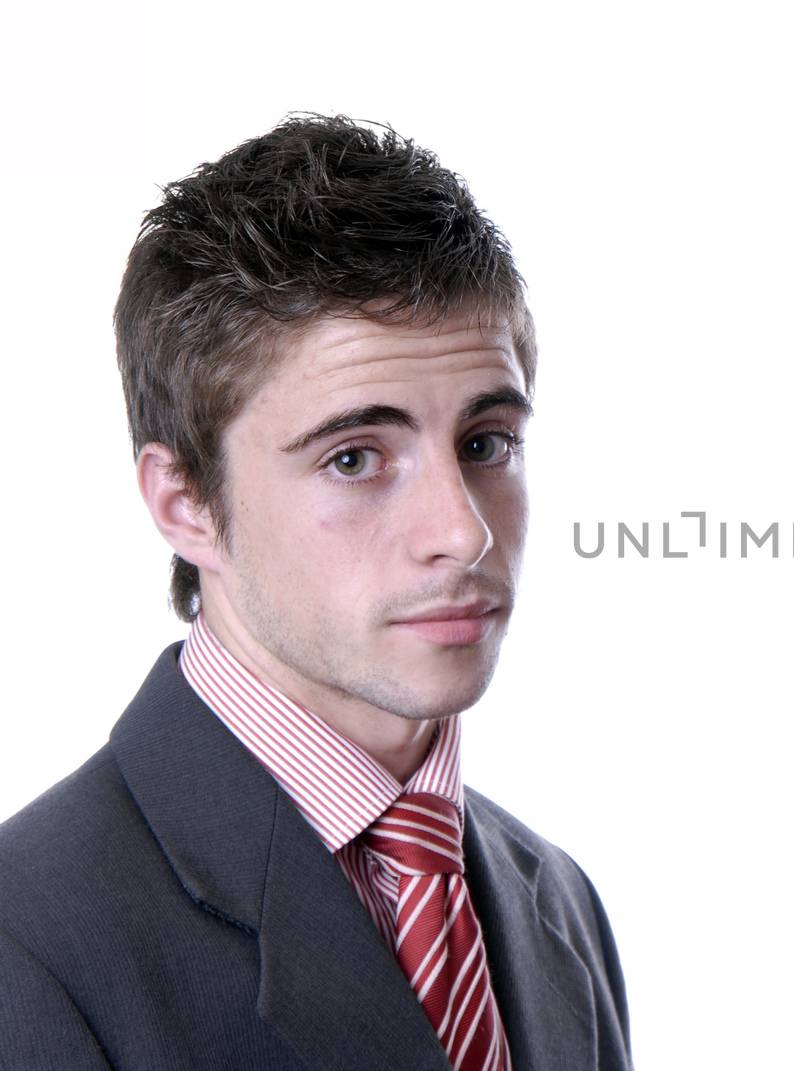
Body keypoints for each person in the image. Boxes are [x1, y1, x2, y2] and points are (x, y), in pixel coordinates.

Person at [0, 116, 631, 1071]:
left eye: (485, 442)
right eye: (353, 457)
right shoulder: (26, 946)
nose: (464, 531)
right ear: (186, 504)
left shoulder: (558, 904)